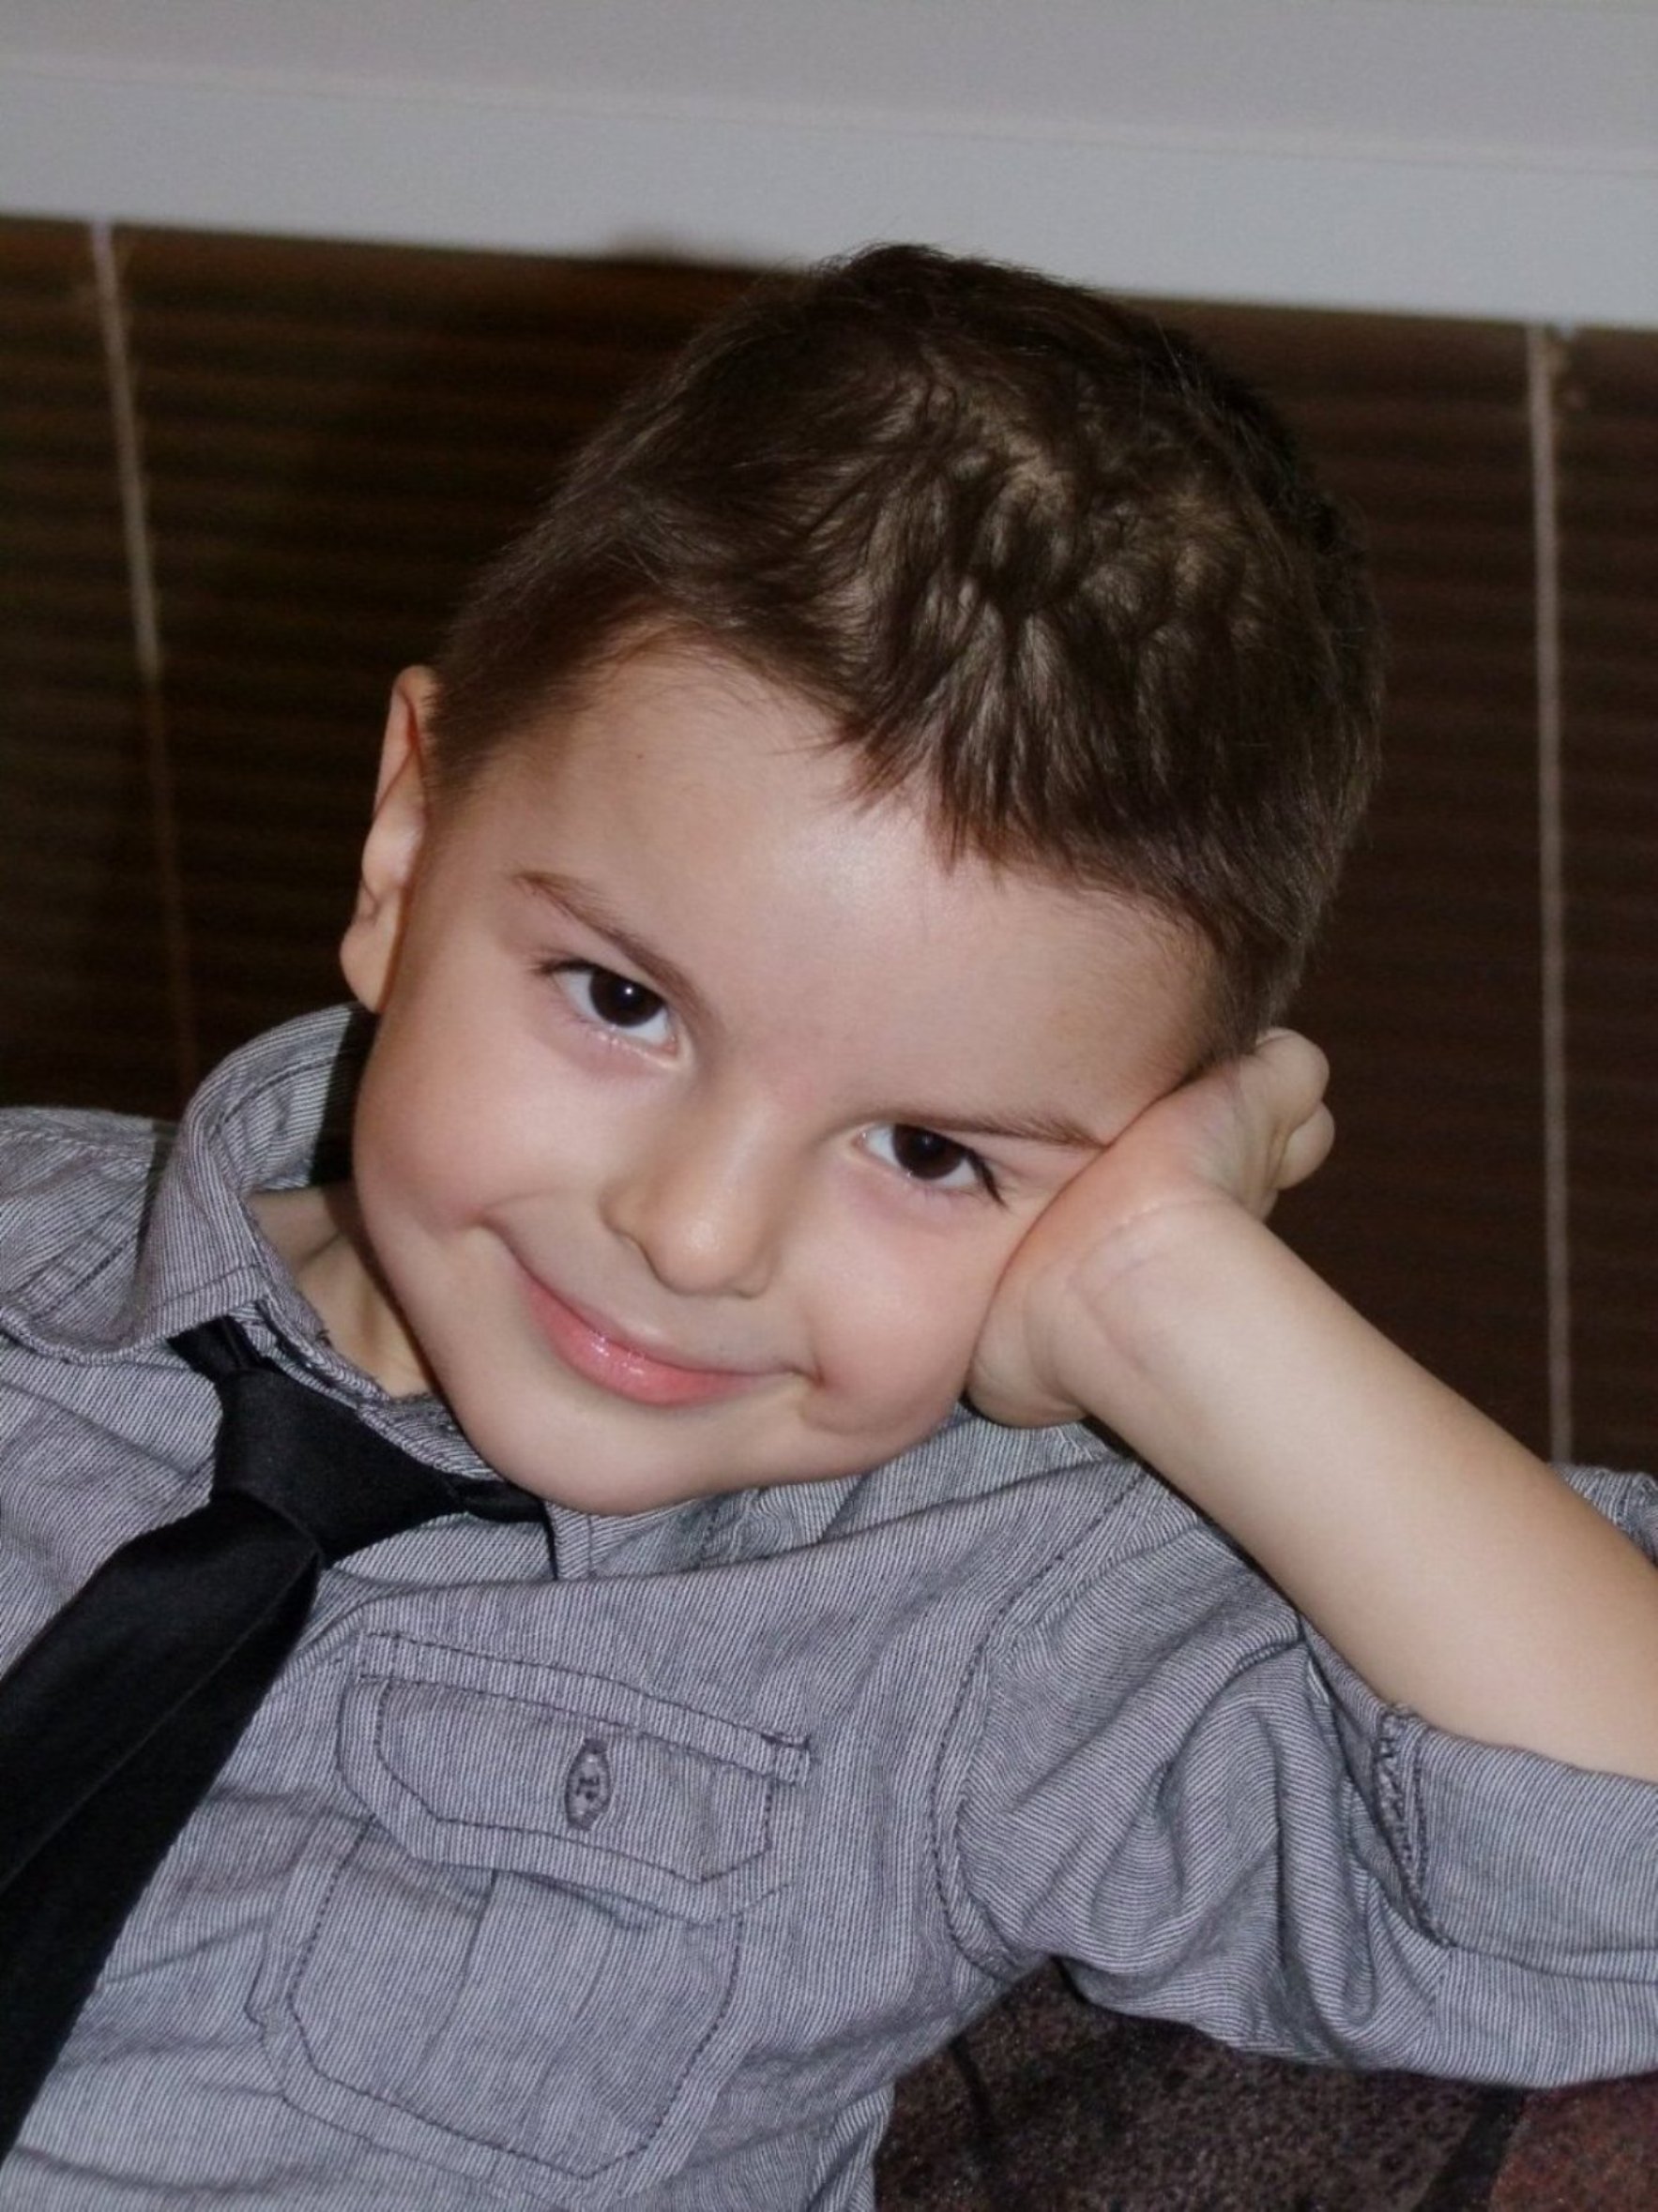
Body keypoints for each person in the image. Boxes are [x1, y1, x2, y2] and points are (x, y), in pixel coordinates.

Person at [0, 244, 1652, 2210]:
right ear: (406, 851)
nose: (698, 1233)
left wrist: (1179, 1296)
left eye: (932, 1152)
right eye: (622, 1000)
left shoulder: (981, 1626)